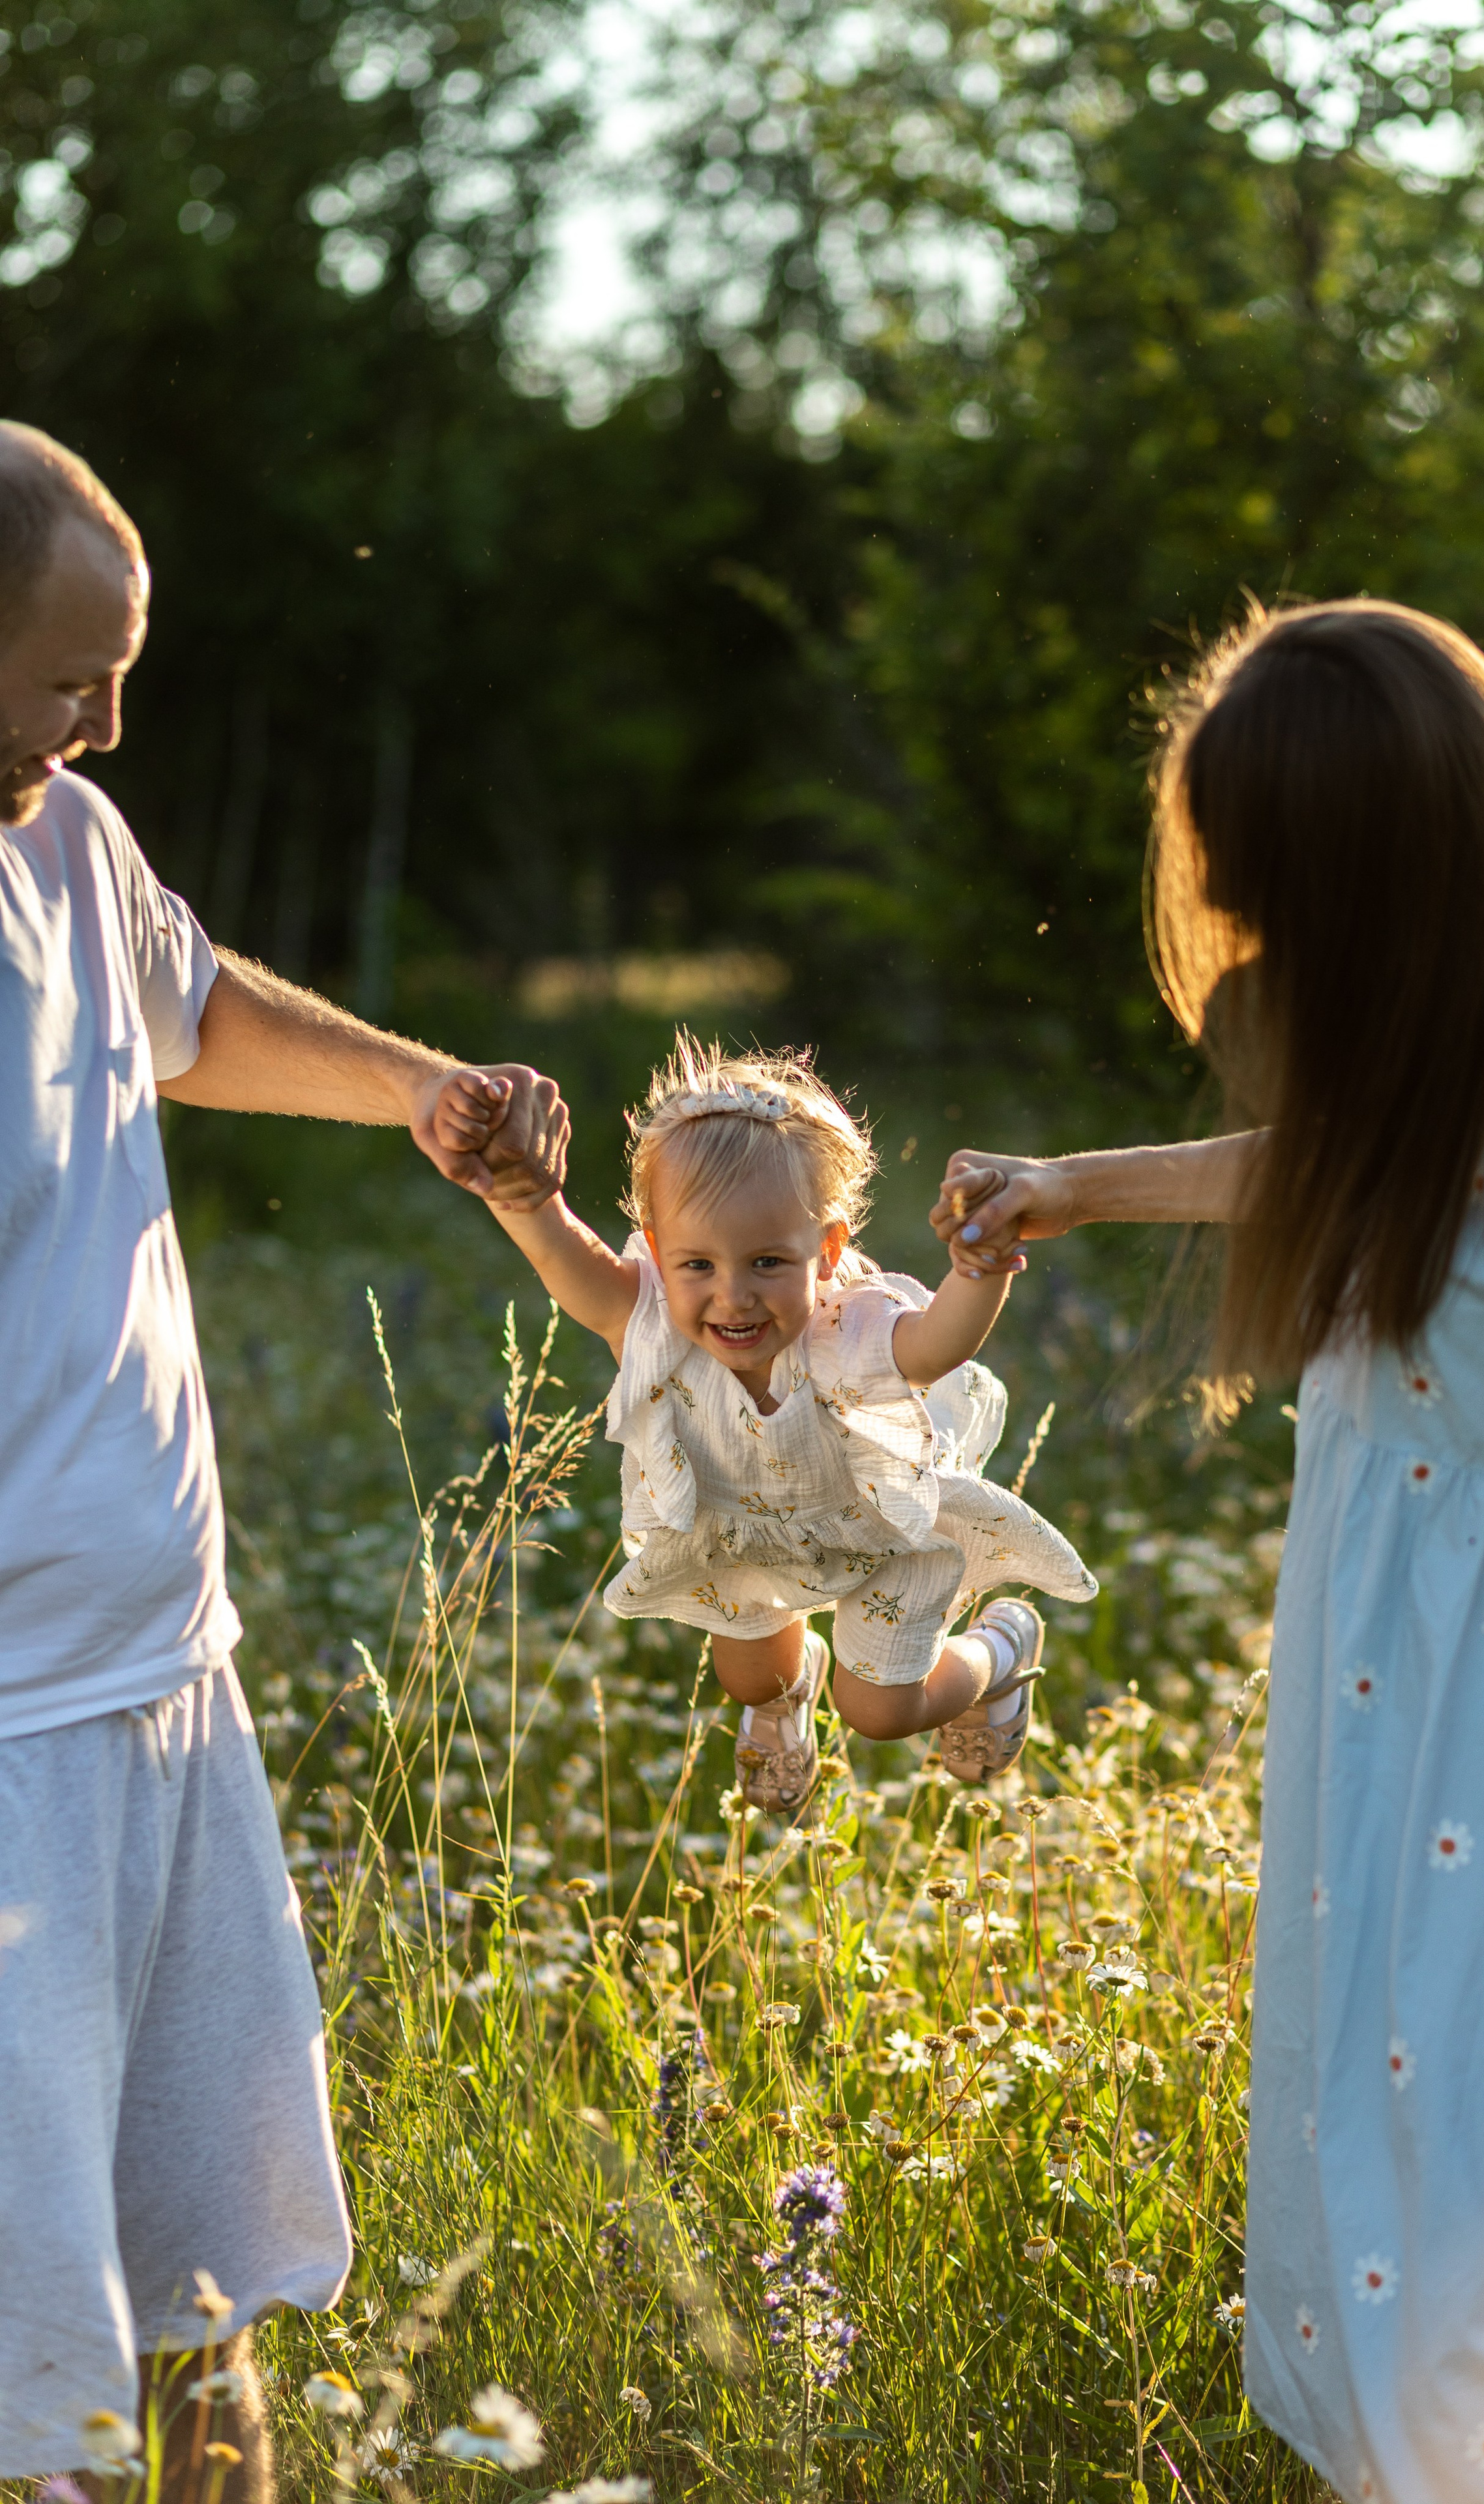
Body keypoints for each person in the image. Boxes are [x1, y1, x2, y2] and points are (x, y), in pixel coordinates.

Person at [930, 597, 1484, 2503]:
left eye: (1285, 906)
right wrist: (1081, 1186)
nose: (1257, 950)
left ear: (1400, 895)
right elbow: (1339, 1156)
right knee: (1410, 2268)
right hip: (1395, 1799)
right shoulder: (1442, 1090)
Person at [0, 422, 567, 2503]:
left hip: (168, 1683)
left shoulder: (66, 837)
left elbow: (199, 1007)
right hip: (7, 1746)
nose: (109, 716)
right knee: (30, 2352)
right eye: (70, 672)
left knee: (201, 2276)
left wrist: (435, 1094)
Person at [434, 1036, 1097, 1811]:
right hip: (739, 1533)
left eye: (768, 1264)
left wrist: (978, 1271)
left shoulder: (849, 1335)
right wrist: (521, 1192)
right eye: (698, 1265)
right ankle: (788, 1697)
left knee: (878, 1713)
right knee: (751, 1679)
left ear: (827, 1249)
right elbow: (562, 1256)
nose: (733, 1296)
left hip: (876, 1536)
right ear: (655, 1251)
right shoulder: (645, 1320)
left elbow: (939, 1345)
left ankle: (997, 1652)